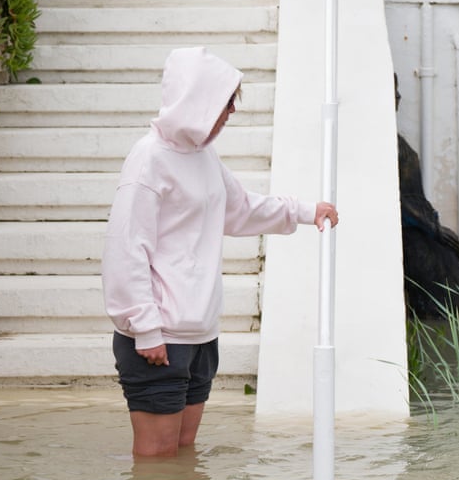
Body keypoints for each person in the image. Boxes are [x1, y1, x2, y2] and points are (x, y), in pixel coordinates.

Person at [102, 47, 338, 458]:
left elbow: (240, 209)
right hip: (159, 339)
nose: (231, 112)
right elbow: (126, 249)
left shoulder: (203, 156)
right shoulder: (148, 161)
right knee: (157, 461)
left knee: (182, 453)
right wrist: (145, 327)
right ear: (199, 101)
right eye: (227, 103)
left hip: (200, 335)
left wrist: (304, 211)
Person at [394, 74, 459, 319]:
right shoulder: (389, 146)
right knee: (453, 303)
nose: (399, 97)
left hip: (422, 230)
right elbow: (399, 200)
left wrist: (435, 229)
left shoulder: (396, 143)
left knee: (458, 297)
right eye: (393, 90)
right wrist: (436, 230)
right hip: (414, 237)